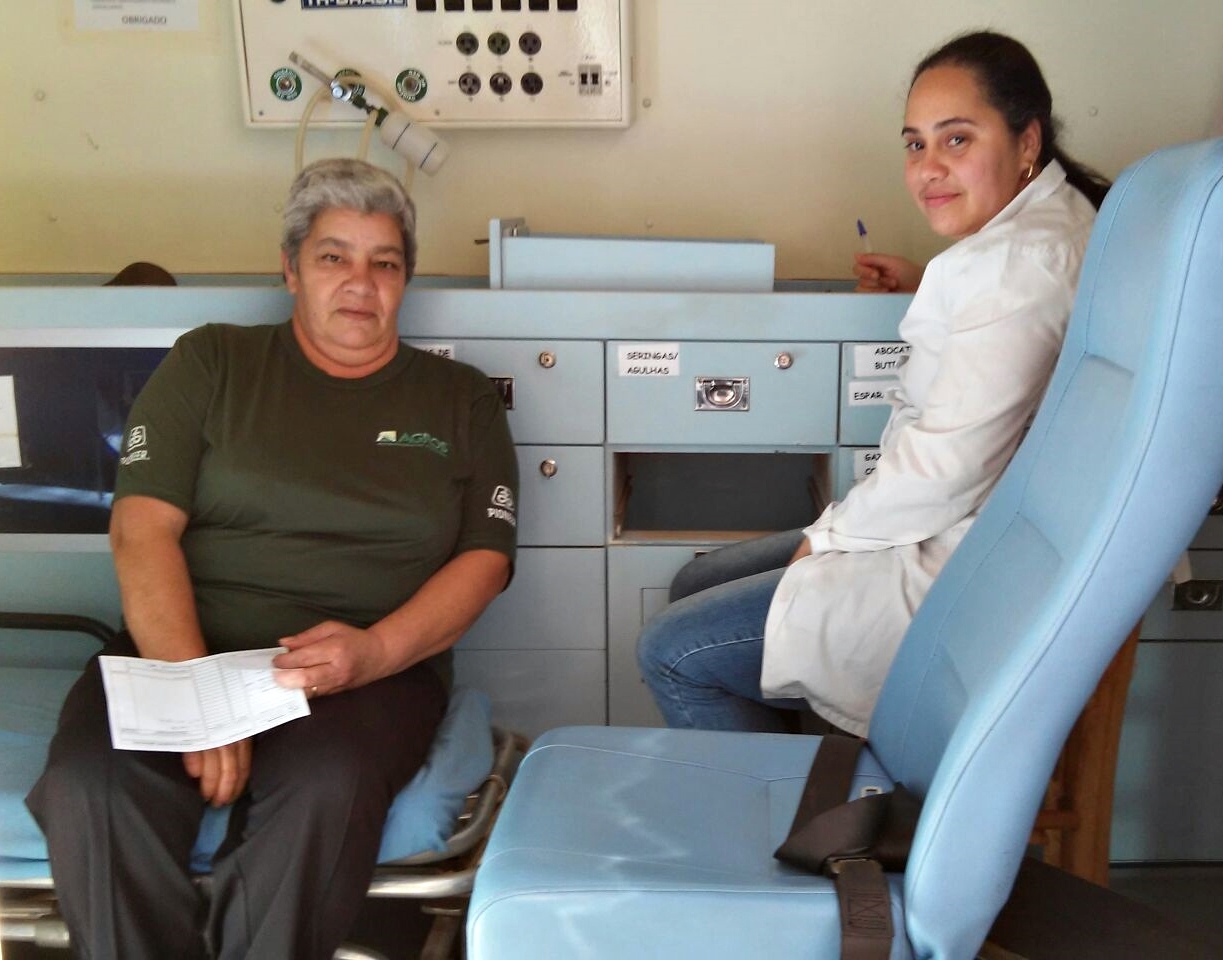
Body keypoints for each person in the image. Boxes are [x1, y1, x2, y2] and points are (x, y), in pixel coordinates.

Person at [26, 157, 519, 960]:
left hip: (369, 674)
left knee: (323, 790)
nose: (359, 282)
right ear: (290, 269)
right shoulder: (211, 364)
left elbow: (485, 559)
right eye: (333, 256)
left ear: (404, 280)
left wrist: (373, 653)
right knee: (94, 787)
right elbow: (140, 531)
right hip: (183, 651)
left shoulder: (458, 399)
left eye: (384, 263)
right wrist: (195, 694)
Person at [637, 31, 1111, 737]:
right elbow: (1001, 341)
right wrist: (929, 289)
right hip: (971, 531)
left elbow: (945, 468)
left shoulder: (1019, 268)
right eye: (915, 144)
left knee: (673, 650)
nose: (928, 168)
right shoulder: (1047, 230)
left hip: (963, 568)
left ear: (1026, 142)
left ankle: (769, 806)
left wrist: (827, 540)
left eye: (956, 139)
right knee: (695, 583)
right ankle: (795, 784)